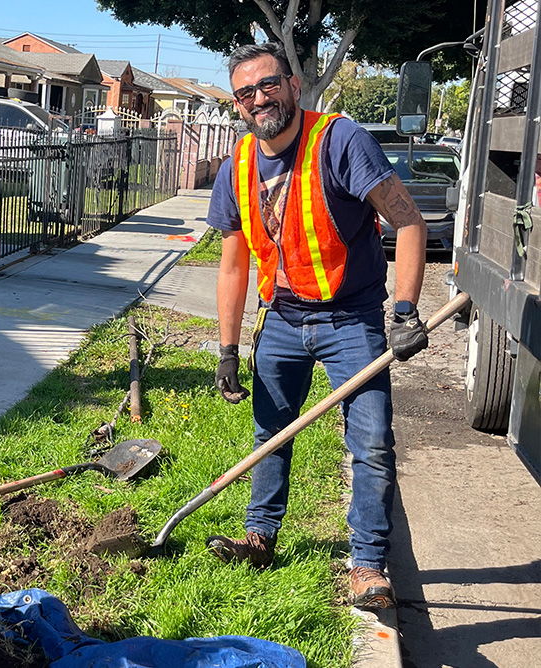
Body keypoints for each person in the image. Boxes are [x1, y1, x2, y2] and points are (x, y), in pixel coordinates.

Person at [204, 43, 429, 610]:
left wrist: (403, 311)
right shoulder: (238, 167)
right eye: (246, 92)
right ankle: (261, 536)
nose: (260, 99)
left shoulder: (341, 141)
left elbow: (407, 221)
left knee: (371, 442)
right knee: (270, 434)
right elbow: (233, 264)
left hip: (349, 317)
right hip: (280, 318)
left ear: (293, 84)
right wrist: (228, 348)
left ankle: (368, 565)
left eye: (269, 84)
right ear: (237, 104)